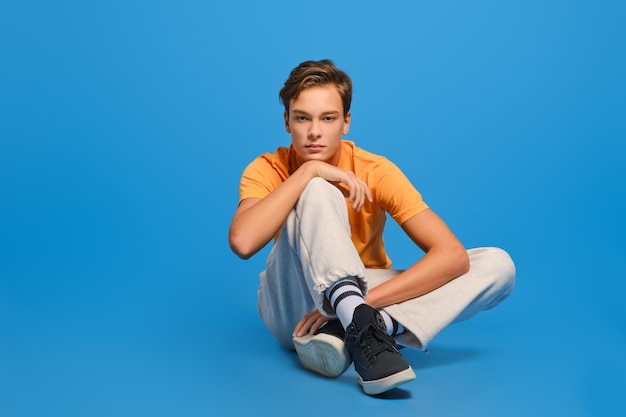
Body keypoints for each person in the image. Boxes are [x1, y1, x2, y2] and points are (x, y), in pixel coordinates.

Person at [228, 59, 516, 395]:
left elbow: (452, 256)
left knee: (498, 264)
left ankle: (358, 325)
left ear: (346, 122)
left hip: (361, 291)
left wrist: (367, 305)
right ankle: (364, 328)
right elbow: (243, 242)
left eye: (328, 118)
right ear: (287, 122)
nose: (315, 132)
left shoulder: (375, 170)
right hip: (293, 304)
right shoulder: (266, 168)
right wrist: (309, 173)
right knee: (317, 188)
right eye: (302, 118)